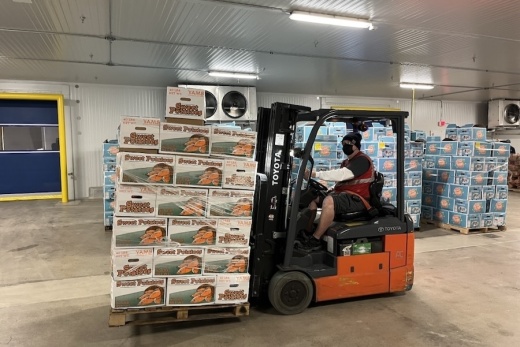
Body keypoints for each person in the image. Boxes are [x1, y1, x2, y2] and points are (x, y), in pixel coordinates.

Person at [298, 132, 375, 252]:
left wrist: (315, 174)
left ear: (356, 145)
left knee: (329, 201)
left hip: (358, 199)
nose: (345, 146)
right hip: (345, 195)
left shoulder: (362, 160)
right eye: (343, 143)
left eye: (348, 143)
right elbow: (342, 182)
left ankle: (315, 239)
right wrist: (329, 189)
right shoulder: (347, 162)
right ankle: (308, 231)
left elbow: (342, 174)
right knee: (311, 196)